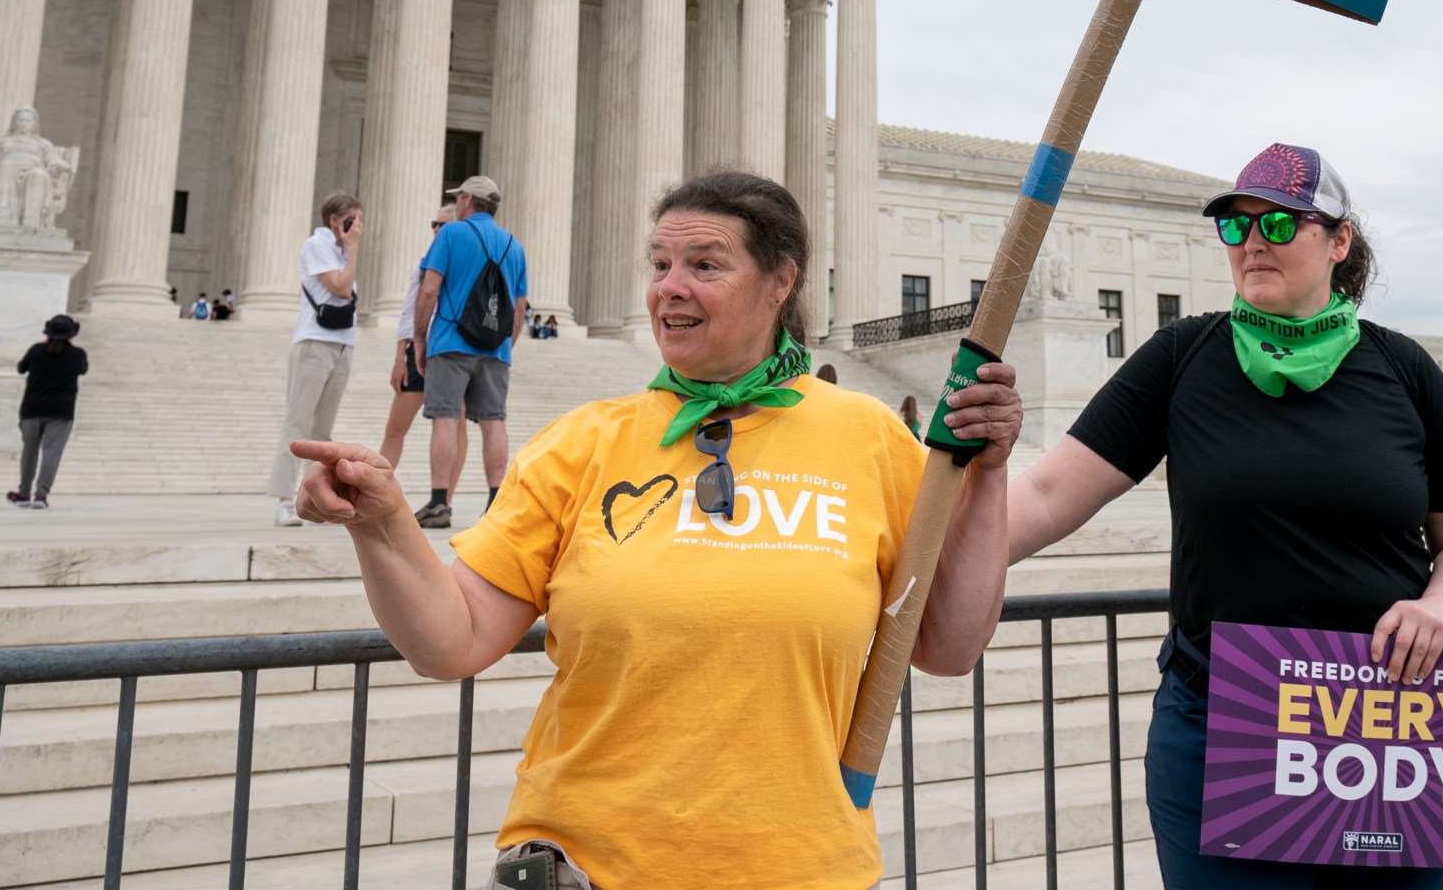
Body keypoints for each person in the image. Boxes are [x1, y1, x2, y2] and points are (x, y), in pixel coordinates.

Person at [289, 170, 1021, 890]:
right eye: (661, 264)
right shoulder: (583, 443)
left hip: (802, 869)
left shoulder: (867, 437)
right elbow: (454, 640)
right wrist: (382, 525)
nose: (671, 286)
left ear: (780, 283)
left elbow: (949, 647)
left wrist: (985, 477)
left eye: (705, 265)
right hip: (582, 867)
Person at [1008, 142, 1443, 890]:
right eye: (1236, 227)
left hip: (1388, 725)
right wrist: (922, 552)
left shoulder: (1404, 370)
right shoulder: (1182, 356)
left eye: (1280, 224)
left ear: (1339, 242)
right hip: (1223, 727)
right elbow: (1046, 496)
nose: (1253, 243)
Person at [410, 176, 528, 528]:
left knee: (446, 419)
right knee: (494, 422)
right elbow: (519, 308)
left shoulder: (450, 234)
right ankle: (494, 502)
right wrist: (505, 344)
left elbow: (429, 291)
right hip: (495, 349)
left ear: (465, 200)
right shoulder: (514, 244)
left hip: (450, 342)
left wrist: (419, 339)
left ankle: (438, 503)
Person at [268, 193, 363, 528]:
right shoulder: (317, 244)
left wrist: (348, 249)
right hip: (314, 342)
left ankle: (317, 500)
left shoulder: (341, 251)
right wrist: (352, 248)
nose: (358, 227)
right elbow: (339, 288)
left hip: (342, 344)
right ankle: (283, 500)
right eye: (352, 219)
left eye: (360, 219)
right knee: (297, 422)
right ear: (335, 220)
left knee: (323, 432)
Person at [379, 200, 462, 478]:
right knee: (395, 426)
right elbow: (408, 310)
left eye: (444, 224)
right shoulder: (422, 265)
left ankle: (444, 500)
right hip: (419, 351)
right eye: (434, 224)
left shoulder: (466, 266)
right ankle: (374, 488)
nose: (437, 229)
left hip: (452, 351)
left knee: (454, 427)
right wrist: (399, 358)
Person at [10, 314, 86, 509]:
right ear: (71, 334)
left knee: (29, 452)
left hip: (32, 409)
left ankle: (23, 493)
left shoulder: (36, 350)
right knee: (52, 453)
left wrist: (45, 344)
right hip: (61, 411)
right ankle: (41, 495)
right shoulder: (77, 354)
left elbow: (21, 368)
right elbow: (82, 370)